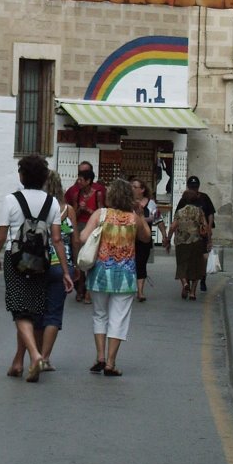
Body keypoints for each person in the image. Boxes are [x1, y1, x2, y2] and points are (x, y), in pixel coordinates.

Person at [0, 154, 74, 382]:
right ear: (45, 177)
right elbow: (57, 239)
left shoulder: (11, 200)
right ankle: (18, 361)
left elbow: (0, 235)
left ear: (22, 175)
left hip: (15, 259)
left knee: (20, 310)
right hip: (42, 260)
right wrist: (66, 272)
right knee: (33, 309)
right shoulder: (53, 202)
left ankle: (35, 356)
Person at [81, 177, 151, 376]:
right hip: (126, 275)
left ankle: (100, 357)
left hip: (100, 273)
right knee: (118, 318)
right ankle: (111, 363)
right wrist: (139, 214)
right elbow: (145, 238)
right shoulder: (133, 218)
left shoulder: (100, 214)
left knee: (100, 315)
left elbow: (83, 237)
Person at [33, 170, 78, 371]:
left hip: (36, 264)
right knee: (53, 313)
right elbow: (75, 240)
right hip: (61, 264)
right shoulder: (67, 210)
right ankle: (45, 357)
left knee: (36, 312)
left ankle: (36, 354)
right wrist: (74, 265)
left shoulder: (35, 208)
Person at [64, 161, 106, 303]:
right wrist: (79, 209)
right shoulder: (76, 193)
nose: (78, 182)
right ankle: (80, 288)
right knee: (81, 259)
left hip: (93, 225)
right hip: (80, 225)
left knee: (92, 258)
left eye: (81, 179)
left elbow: (101, 212)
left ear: (88, 181)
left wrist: (87, 210)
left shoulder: (98, 192)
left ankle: (88, 290)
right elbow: (72, 212)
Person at [175, 175, 215, 292]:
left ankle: (201, 279)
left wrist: (209, 231)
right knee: (191, 260)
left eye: (195, 187)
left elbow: (210, 214)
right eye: (192, 187)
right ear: (188, 187)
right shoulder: (184, 199)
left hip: (199, 235)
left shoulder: (204, 198)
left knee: (202, 258)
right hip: (191, 237)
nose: (194, 189)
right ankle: (191, 286)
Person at [130, 177, 167, 301]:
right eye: (131, 186)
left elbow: (158, 219)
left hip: (144, 239)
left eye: (135, 187)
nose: (132, 189)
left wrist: (164, 236)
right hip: (128, 238)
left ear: (142, 190)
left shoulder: (150, 203)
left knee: (141, 263)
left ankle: (140, 292)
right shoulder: (127, 202)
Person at [168, 188, 208, 300]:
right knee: (196, 267)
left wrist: (168, 238)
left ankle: (185, 283)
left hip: (182, 242)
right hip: (196, 241)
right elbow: (205, 226)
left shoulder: (180, 212)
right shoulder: (199, 211)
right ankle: (193, 293)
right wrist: (208, 240)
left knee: (182, 264)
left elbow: (172, 227)